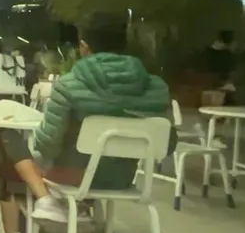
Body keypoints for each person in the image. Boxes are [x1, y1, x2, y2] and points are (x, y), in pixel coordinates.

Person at [33, 13, 174, 190]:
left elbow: (47, 145)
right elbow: (168, 145)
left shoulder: (67, 86)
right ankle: (80, 204)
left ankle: (47, 202)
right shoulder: (156, 87)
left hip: (73, 176)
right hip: (121, 179)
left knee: (19, 161)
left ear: (84, 47)